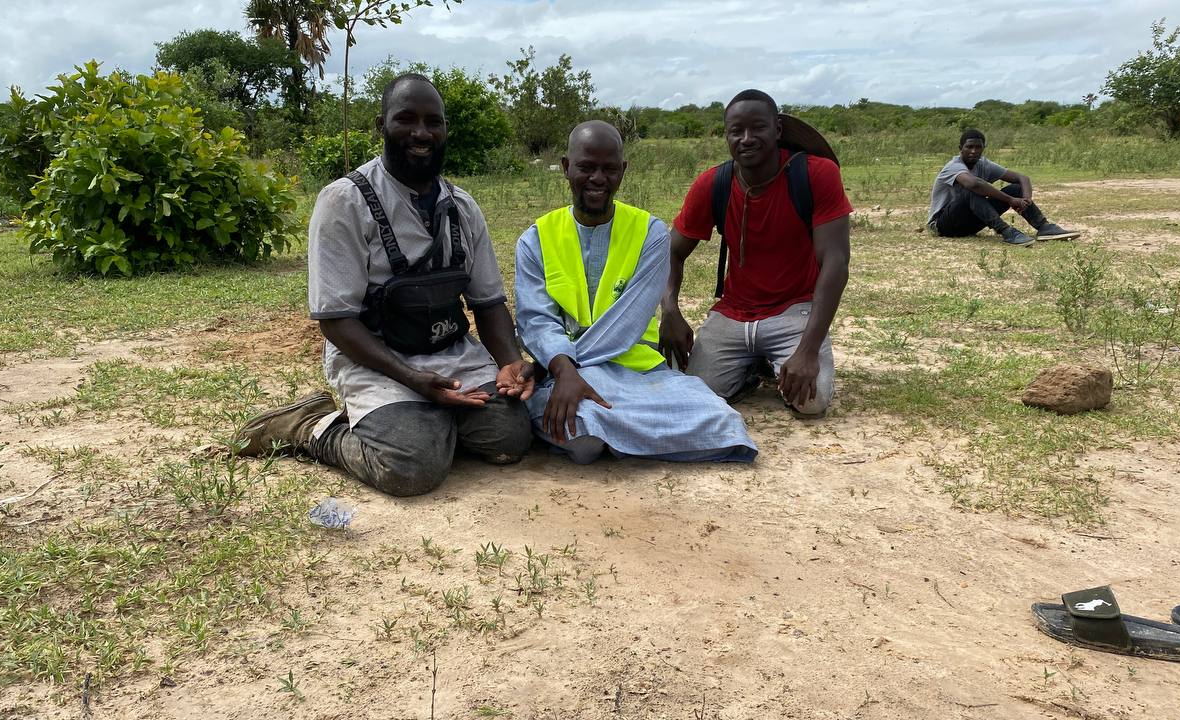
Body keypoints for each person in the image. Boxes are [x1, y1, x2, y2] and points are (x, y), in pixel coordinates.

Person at [235, 73, 534, 496]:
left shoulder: (463, 206)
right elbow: (336, 321)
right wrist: (413, 380)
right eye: (406, 119)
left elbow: (487, 303)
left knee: (510, 438)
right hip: (377, 359)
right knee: (411, 467)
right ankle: (309, 427)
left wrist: (508, 361)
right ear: (381, 126)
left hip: (450, 353)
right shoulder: (343, 201)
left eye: (434, 122)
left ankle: (424, 422)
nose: (421, 133)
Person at [513, 121, 757, 465]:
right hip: (566, 372)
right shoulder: (536, 238)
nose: (598, 178)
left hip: (637, 373)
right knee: (582, 428)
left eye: (609, 169)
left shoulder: (650, 233)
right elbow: (535, 321)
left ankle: (615, 435)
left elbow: (627, 324)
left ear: (623, 171)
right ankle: (624, 436)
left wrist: (551, 368)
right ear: (567, 168)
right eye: (586, 167)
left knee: (721, 419)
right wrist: (562, 369)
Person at [660, 89, 852, 419]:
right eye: (736, 131)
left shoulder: (816, 174)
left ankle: (780, 357)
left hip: (795, 308)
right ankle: (751, 367)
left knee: (812, 401)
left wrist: (807, 350)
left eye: (758, 128)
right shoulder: (713, 184)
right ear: (726, 136)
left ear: (777, 130)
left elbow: (835, 261)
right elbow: (669, 253)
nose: (746, 139)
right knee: (690, 394)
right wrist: (669, 310)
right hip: (734, 313)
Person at [927, 128, 1080, 246]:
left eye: (978, 147)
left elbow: (1022, 178)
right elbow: (974, 184)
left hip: (971, 224)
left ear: (983, 148)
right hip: (944, 225)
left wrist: (1026, 200)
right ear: (961, 148)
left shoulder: (984, 164)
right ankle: (1007, 231)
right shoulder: (953, 167)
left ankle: (1044, 227)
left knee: (1016, 188)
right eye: (969, 147)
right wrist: (1011, 200)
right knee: (971, 191)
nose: (974, 151)